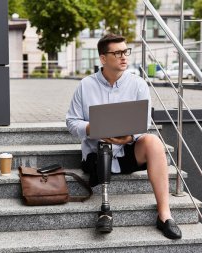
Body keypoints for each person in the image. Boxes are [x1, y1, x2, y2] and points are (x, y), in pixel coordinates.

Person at [66, 34, 182, 239]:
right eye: (117, 53)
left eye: (125, 51)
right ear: (103, 58)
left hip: (128, 150)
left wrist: (128, 137)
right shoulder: (85, 86)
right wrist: (93, 128)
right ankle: (105, 208)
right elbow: (72, 122)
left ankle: (165, 215)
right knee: (101, 147)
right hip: (96, 153)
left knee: (154, 141)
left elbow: (144, 123)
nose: (124, 57)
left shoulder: (138, 84)